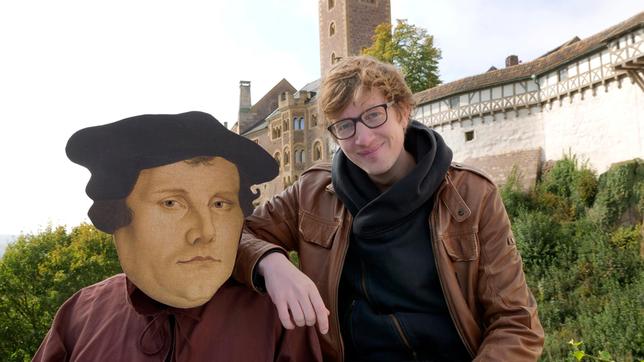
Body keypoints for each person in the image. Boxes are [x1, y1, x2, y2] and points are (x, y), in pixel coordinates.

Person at [234, 56, 545, 361]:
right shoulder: (312, 193)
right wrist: (270, 262)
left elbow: (517, 324)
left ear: (403, 112)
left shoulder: (471, 195)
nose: (363, 138)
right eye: (345, 125)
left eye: (373, 115)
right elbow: (234, 233)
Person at [34, 111, 322, 361]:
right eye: (171, 203)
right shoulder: (81, 317)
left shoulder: (279, 318)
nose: (205, 231)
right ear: (116, 216)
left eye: (220, 204)